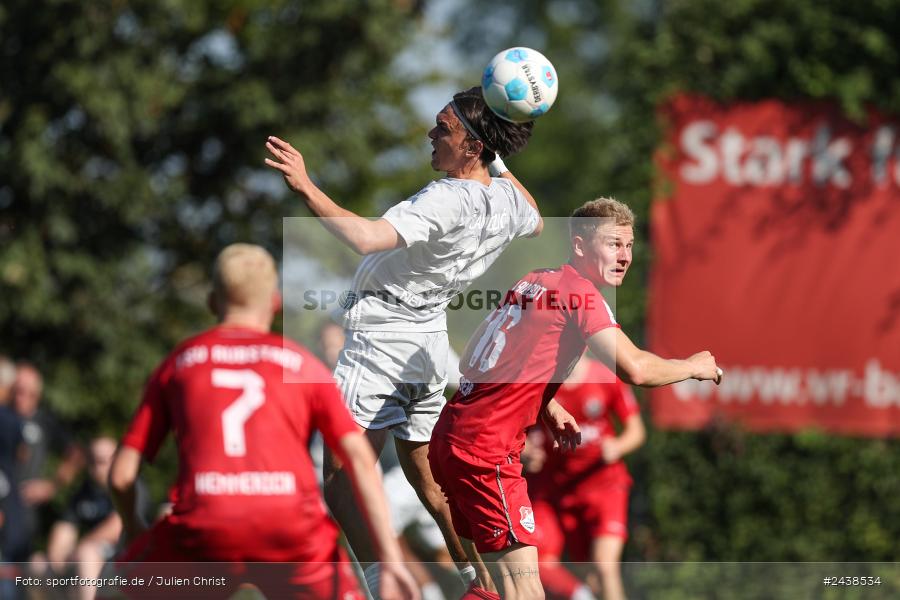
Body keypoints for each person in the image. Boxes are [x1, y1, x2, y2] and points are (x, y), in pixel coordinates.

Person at [266, 86, 542, 596]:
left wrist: (306, 186)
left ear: (472, 147)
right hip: (429, 345)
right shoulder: (505, 201)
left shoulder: (445, 196)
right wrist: (500, 159)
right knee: (432, 487)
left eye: (444, 127)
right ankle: (479, 583)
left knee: (341, 483)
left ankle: (384, 591)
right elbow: (536, 214)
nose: (431, 134)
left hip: (381, 343)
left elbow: (367, 238)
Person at [428, 198, 722, 599]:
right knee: (525, 588)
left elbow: (477, 358)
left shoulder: (534, 279)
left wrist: (546, 403)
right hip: (486, 448)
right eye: (613, 244)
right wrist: (691, 366)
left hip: (453, 434)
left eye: (629, 245)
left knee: (492, 585)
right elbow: (635, 368)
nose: (624, 256)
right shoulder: (580, 295)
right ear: (580, 245)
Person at [108, 244, 418, 600]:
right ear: (274, 302)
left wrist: (133, 529)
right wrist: (391, 560)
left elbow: (121, 476)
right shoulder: (301, 364)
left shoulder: (180, 364)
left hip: (205, 525)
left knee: (117, 587)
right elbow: (360, 459)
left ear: (212, 302)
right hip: (291, 531)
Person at [526, 356, 644, 600]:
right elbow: (514, 432)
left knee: (604, 564)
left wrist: (618, 446)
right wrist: (525, 452)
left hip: (605, 487)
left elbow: (636, 431)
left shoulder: (605, 377)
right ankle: (581, 594)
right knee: (542, 562)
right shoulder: (537, 383)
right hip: (555, 491)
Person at [31, 436, 145, 600]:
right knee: (38, 565)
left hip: (128, 560)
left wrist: (78, 550)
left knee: (87, 555)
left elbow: (117, 528)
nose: (97, 467)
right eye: (92, 460)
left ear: (116, 460)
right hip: (85, 561)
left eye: (102, 461)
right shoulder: (83, 492)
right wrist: (59, 558)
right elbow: (63, 531)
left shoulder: (129, 487)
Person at [12, 363, 84, 557]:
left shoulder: (44, 422)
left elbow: (76, 454)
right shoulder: (4, 417)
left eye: (30, 393)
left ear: (38, 394)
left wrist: (52, 486)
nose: (22, 397)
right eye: (18, 391)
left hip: (25, 511)